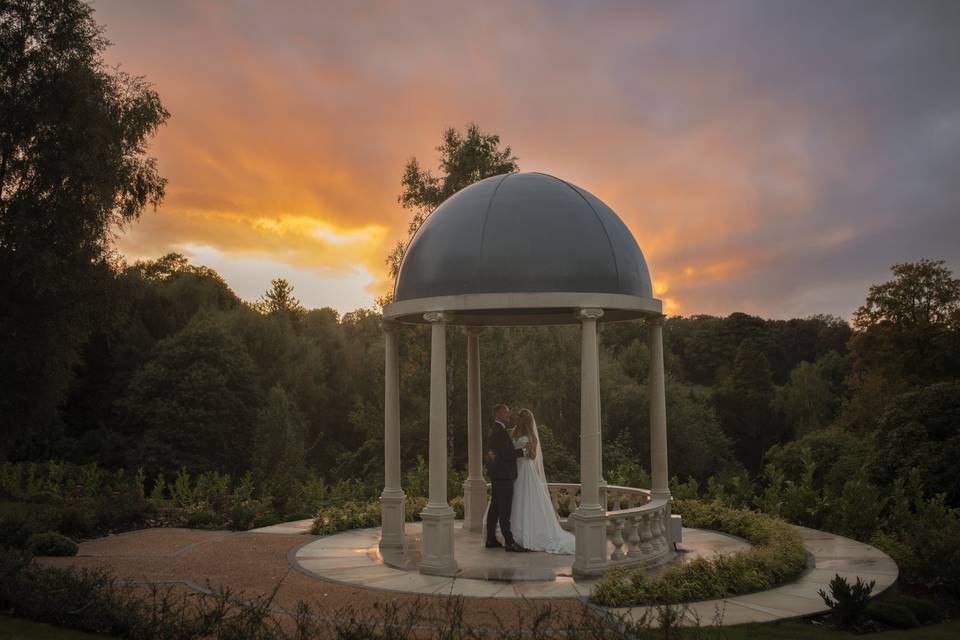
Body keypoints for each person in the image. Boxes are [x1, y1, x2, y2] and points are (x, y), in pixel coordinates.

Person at [508, 408, 576, 554]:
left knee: (526, 500)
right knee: (514, 500)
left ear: (525, 420)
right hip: (514, 469)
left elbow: (533, 457)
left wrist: (527, 449)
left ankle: (529, 535)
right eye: (519, 416)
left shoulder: (532, 436)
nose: (518, 418)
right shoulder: (513, 432)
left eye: (521, 416)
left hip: (526, 469)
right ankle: (512, 536)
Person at [484, 404, 531, 552]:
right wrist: (524, 451)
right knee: (505, 509)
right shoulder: (500, 432)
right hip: (504, 475)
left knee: (495, 508)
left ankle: (490, 539)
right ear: (498, 414)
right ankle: (510, 542)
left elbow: (494, 452)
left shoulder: (496, 430)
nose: (508, 415)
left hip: (498, 475)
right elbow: (507, 454)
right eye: (505, 413)